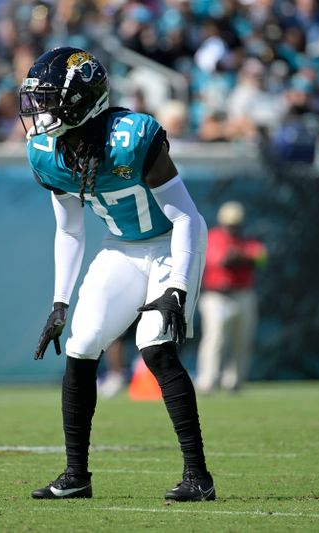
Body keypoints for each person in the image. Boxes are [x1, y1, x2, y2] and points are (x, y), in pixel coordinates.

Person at [21, 47, 214, 502]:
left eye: (47, 99)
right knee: (81, 344)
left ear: (80, 100)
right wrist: (59, 302)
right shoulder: (46, 153)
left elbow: (187, 216)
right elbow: (68, 230)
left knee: (155, 345)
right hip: (122, 248)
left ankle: (198, 477)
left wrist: (177, 288)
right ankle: (76, 476)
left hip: (172, 240)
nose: (37, 111)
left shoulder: (132, 136)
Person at [196, 201, 267, 394]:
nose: (233, 228)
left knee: (242, 340)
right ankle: (207, 381)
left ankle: (234, 381)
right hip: (216, 296)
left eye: (236, 224)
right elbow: (224, 260)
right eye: (230, 224)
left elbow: (261, 257)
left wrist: (243, 257)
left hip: (243, 294)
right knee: (215, 339)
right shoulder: (214, 237)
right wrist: (246, 258)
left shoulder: (247, 239)